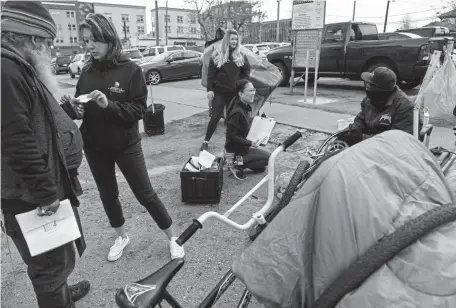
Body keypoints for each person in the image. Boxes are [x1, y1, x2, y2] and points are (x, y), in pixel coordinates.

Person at [60, 13, 184, 261]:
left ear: (108, 37)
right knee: (108, 195)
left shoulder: (130, 71)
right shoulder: (86, 73)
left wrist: (109, 105)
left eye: (94, 40)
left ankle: (173, 237)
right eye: (86, 41)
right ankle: (121, 236)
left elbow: (138, 110)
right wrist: (72, 108)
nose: (90, 46)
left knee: (145, 194)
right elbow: (79, 109)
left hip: (125, 144)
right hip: (94, 146)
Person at [1, 1, 90, 307]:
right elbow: (15, 138)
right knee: (48, 267)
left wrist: (65, 113)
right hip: (30, 198)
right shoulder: (6, 70)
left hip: (38, 190)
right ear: (32, 38)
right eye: (49, 43)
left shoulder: (16, 67)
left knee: (57, 258)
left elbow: (30, 118)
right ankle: (57, 295)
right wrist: (45, 193)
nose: (51, 51)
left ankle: (61, 291)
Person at [200, 29, 251, 152]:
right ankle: (205, 142)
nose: (234, 41)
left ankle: (233, 143)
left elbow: (246, 72)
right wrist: (209, 90)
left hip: (234, 93)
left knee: (233, 119)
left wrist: (241, 84)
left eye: (236, 39)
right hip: (220, 92)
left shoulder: (240, 56)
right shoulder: (217, 55)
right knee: (215, 117)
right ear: (227, 40)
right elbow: (210, 75)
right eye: (232, 39)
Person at [338, 66, 414, 146]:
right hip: (371, 143)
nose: (366, 86)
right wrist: (350, 131)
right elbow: (360, 120)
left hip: (391, 151)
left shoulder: (404, 106)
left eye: (370, 84)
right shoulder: (369, 100)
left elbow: (396, 141)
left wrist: (361, 138)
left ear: (381, 89)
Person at [225, 79, 270, 180]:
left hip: (242, 147)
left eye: (254, 90)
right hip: (236, 151)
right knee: (269, 158)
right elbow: (230, 136)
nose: (253, 93)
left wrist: (262, 121)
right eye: (250, 91)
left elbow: (245, 123)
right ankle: (234, 164)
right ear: (240, 94)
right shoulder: (237, 112)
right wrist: (250, 143)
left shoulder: (244, 107)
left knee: (261, 168)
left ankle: (239, 163)